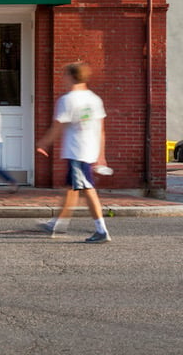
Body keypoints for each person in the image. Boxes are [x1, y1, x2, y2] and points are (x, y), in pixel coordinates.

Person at [36, 61, 111, 243]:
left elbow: (57, 127)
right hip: (88, 150)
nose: (62, 78)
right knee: (72, 189)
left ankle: (101, 230)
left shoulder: (67, 100)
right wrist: (101, 155)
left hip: (77, 151)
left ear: (71, 76)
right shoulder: (94, 99)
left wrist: (44, 143)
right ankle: (57, 223)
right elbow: (101, 130)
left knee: (87, 189)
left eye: (64, 74)